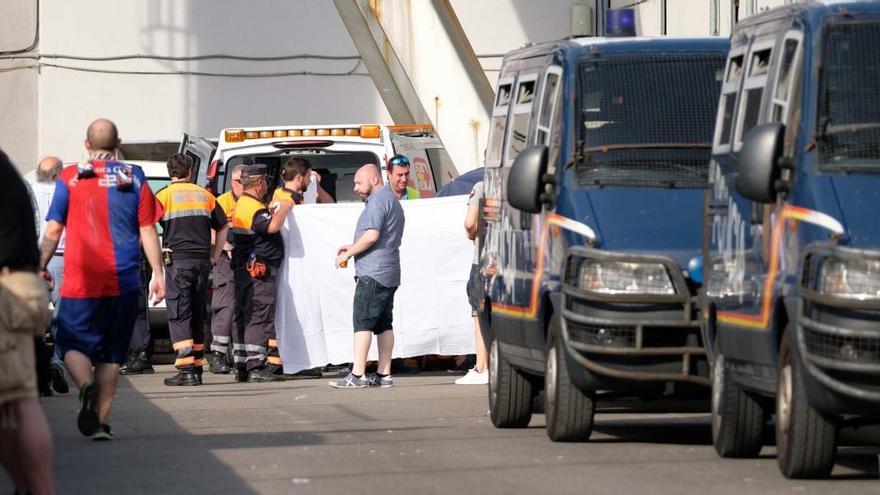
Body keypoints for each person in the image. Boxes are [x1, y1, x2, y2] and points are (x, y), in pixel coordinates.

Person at [39, 118, 165, 440]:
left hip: (81, 280)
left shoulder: (70, 177)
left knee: (69, 343)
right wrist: (158, 274)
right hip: (123, 280)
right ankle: (100, 425)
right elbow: (148, 229)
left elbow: (54, 230)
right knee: (111, 356)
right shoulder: (133, 176)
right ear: (118, 142)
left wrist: (40, 265)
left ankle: (85, 387)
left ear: (86, 144)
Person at [0, 149, 54, 494]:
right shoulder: (6, 167)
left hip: (7, 291)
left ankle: (38, 488)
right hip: (22, 282)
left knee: (20, 402)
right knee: (12, 401)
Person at [155, 154, 228, 386]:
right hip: (202, 262)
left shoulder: (163, 196)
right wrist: (216, 254)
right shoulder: (204, 195)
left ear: (171, 172)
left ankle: (186, 370)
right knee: (197, 312)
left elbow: (145, 225)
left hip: (178, 262)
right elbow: (223, 225)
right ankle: (196, 367)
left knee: (179, 312)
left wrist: (158, 252)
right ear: (189, 172)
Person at [330, 164, 405, 389]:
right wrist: (353, 245)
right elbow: (380, 237)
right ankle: (384, 375)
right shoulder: (391, 200)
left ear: (373, 180)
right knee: (384, 324)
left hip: (372, 273)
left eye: (358, 182)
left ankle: (357, 375)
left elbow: (372, 236)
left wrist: (349, 253)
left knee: (362, 322)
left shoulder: (378, 201)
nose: (355, 188)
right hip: (389, 271)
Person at [231, 164, 292, 382]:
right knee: (260, 315)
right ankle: (256, 365)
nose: (267, 184)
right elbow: (271, 228)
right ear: (259, 183)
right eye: (265, 180)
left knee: (246, 315)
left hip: (246, 270)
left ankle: (243, 365)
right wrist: (284, 207)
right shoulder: (253, 207)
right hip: (259, 271)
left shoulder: (245, 204)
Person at [271, 157, 325, 378]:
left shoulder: (284, 196)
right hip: (292, 267)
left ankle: (293, 360)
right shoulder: (287, 200)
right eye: (308, 177)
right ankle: (295, 362)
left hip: (293, 266)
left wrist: (316, 188)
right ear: (300, 176)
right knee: (295, 314)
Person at [26, 156, 71, 394]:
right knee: (62, 317)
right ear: (60, 171)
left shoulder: (29, 190)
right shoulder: (67, 191)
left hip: (33, 260)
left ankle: (36, 371)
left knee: (34, 317)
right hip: (63, 259)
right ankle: (56, 360)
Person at [208, 164, 246, 374]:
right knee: (226, 306)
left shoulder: (253, 201)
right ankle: (218, 355)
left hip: (246, 260)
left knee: (244, 307)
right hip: (226, 258)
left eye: (245, 180)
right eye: (239, 181)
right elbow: (211, 229)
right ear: (232, 181)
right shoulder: (221, 201)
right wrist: (226, 247)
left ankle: (241, 357)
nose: (242, 185)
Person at [455, 180, 488, 385]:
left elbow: (469, 222)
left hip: (483, 260)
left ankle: (482, 366)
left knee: (479, 314)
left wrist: (471, 234)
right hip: (510, 259)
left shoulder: (482, 187)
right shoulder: (516, 184)